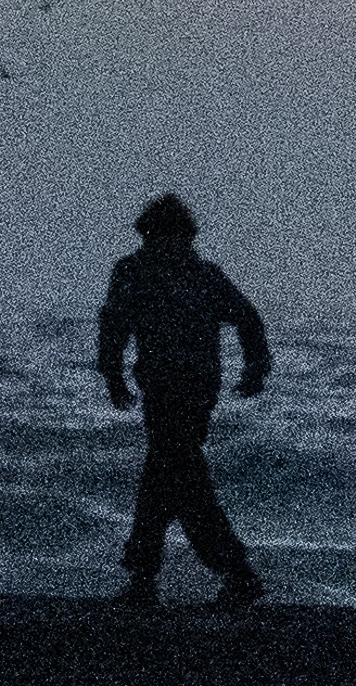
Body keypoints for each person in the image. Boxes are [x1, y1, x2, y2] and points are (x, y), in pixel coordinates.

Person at [94, 191, 273, 607]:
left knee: (176, 476)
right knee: (169, 478)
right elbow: (114, 327)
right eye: (157, 237)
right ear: (147, 236)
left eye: (173, 237)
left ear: (186, 237)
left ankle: (222, 573)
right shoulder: (133, 272)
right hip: (159, 388)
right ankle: (160, 576)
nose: (165, 245)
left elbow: (247, 319)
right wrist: (113, 376)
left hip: (194, 392)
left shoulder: (205, 276)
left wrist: (256, 367)